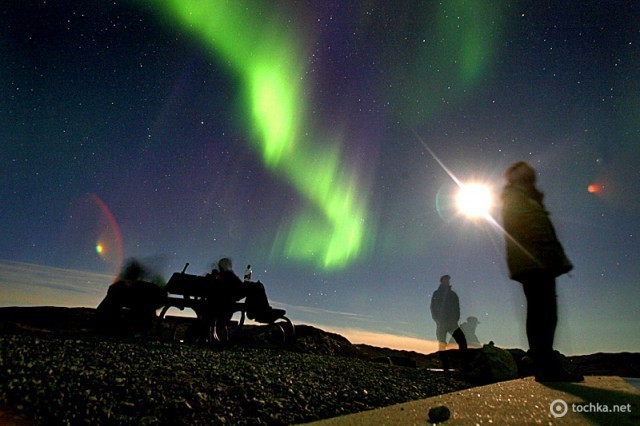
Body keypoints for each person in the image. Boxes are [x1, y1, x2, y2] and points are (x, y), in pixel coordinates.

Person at [501, 161, 583, 382]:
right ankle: (545, 367)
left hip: (540, 261)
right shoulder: (514, 197)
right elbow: (524, 229)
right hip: (533, 262)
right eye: (523, 172)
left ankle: (545, 364)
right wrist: (543, 257)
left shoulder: (527, 197)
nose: (530, 175)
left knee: (545, 312)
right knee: (542, 312)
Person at [215, 258, 282, 323]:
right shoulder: (225, 274)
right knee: (257, 286)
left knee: (255, 288)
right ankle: (261, 313)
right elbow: (235, 286)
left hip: (230, 295)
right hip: (227, 297)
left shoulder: (225, 274)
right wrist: (246, 284)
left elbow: (238, 285)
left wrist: (245, 284)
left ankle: (259, 311)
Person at [430, 275, 467, 351]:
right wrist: (438, 320)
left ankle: (462, 360)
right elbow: (433, 307)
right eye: (446, 280)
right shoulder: (437, 293)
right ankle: (443, 361)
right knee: (442, 343)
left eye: (448, 280)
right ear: (442, 281)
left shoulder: (453, 294)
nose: (447, 281)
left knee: (462, 341)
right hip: (442, 323)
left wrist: (456, 319)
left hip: (451, 323)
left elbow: (457, 308)